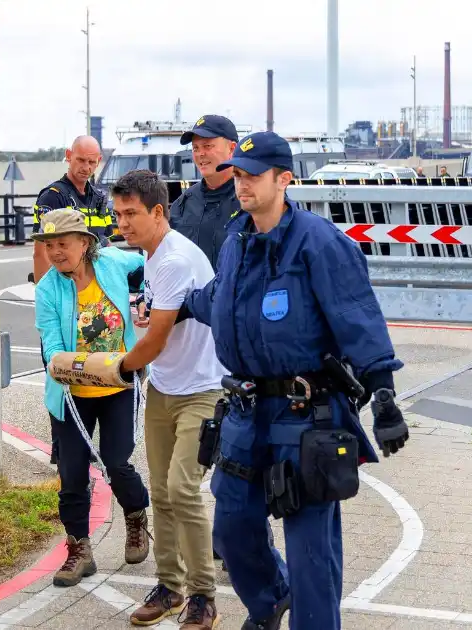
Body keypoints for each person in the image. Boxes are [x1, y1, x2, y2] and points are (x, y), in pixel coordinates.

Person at [173, 132, 411, 630]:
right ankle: (271, 602)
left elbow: (357, 316)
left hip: (306, 418)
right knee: (233, 530)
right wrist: (174, 308)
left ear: (284, 179)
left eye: (253, 175)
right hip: (244, 413)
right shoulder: (238, 242)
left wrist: (384, 395)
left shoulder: (319, 243)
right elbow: (220, 299)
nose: (241, 184)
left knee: (310, 552)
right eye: (237, 174)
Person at [108, 170, 223, 629]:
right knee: (160, 491)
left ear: (158, 212)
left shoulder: (175, 259)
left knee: (181, 489)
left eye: (131, 214)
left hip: (203, 389)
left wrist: (118, 368)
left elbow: (154, 339)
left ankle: (203, 595)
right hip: (165, 387)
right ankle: (169, 586)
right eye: (118, 214)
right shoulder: (152, 255)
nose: (123, 224)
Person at [32, 208, 152, 588]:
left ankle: (135, 517)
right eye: (48, 245)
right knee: (72, 475)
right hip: (71, 395)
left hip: (119, 387)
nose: (54, 252)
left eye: (62, 244)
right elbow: (51, 349)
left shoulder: (114, 263)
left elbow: (152, 260)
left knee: (117, 462)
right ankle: (79, 549)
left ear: (84, 243)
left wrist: (149, 300)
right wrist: (67, 364)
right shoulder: (47, 290)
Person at [30, 135, 108, 465]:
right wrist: (47, 294)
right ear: (68, 156)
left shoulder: (100, 197)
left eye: (92, 162)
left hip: (92, 296)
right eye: (81, 160)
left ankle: (85, 443)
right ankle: (62, 449)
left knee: (89, 367)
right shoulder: (53, 196)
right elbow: (42, 250)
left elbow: (104, 249)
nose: (86, 167)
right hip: (61, 295)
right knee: (59, 367)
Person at [169, 115, 241, 270]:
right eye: (195, 148)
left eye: (208, 146)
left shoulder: (251, 200)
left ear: (232, 148)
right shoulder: (183, 204)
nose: (200, 154)